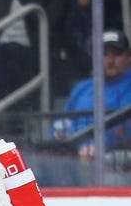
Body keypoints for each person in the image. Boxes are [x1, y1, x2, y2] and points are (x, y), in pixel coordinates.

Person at [53, 29, 131, 158]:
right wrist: (58, 133)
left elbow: (124, 131)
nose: (110, 61)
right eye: (104, 54)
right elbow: (62, 121)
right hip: (77, 156)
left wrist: (92, 145)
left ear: (128, 57)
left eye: (116, 54)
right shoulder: (82, 88)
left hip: (117, 162)